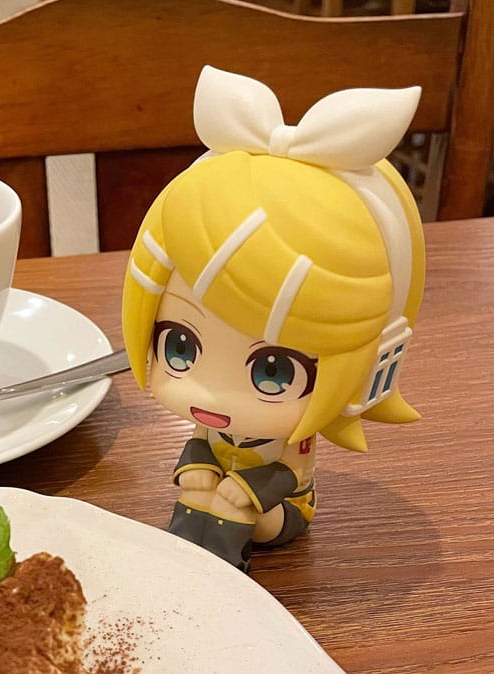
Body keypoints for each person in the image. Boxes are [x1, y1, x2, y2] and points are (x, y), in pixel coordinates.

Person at [122, 66, 426, 571]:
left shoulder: (291, 434)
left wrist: (244, 490)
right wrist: (197, 469)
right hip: (222, 488)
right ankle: (180, 562)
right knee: (198, 496)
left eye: (274, 371)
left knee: (235, 511)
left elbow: (288, 473)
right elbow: (199, 444)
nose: (210, 396)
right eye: (180, 346)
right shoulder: (209, 422)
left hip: (281, 509)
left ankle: (217, 571)